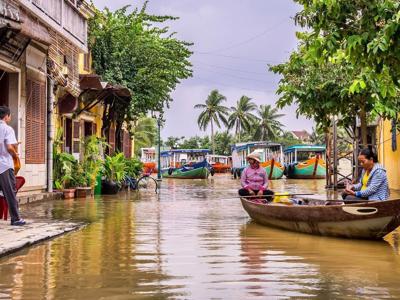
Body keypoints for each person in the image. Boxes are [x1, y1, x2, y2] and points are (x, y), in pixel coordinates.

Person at [0, 106, 25, 225]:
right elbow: (9, 147)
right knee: (10, 192)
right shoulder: (7, 129)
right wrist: (15, 155)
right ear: (6, 116)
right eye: (10, 115)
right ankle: (16, 219)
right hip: (4, 165)